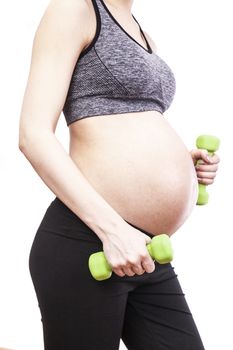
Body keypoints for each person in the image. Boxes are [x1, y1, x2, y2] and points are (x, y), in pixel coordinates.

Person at [18, 0, 220, 349]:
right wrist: (112, 231)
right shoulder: (75, 8)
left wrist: (182, 165)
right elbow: (33, 135)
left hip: (144, 253)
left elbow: (124, 126)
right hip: (89, 242)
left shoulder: (142, 32)